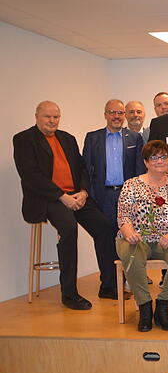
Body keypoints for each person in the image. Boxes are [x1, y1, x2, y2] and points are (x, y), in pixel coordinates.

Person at [13, 101, 119, 308]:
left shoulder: (67, 139)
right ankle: (69, 293)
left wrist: (83, 192)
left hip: (75, 195)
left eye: (56, 117)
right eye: (47, 117)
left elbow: (82, 169)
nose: (52, 121)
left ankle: (108, 285)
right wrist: (62, 196)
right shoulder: (24, 139)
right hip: (48, 198)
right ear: (37, 116)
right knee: (69, 229)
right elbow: (30, 175)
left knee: (105, 227)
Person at [116, 140, 168, 332]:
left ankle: (163, 305)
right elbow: (123, 215)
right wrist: (129, 232)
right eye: (154, 157)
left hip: (167, 239)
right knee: (130, 255)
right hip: (137, 237)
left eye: (163, 157)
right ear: (146, 162)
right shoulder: (132, 185)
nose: (159, 161)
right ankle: (144, 307)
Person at [83, 99, 146, 264]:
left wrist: (138, 196)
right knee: (105, 239)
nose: (116, 116)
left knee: (129, 237)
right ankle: (109, 284)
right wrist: (91, 196)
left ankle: (127, 279)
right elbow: (86, 170)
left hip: (128, 196)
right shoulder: (92, 138)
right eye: (112, 112)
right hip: (103, 196)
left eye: (120, 113)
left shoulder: (134, 138)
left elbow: (139, 169)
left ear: (124, 115)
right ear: (105, 115)